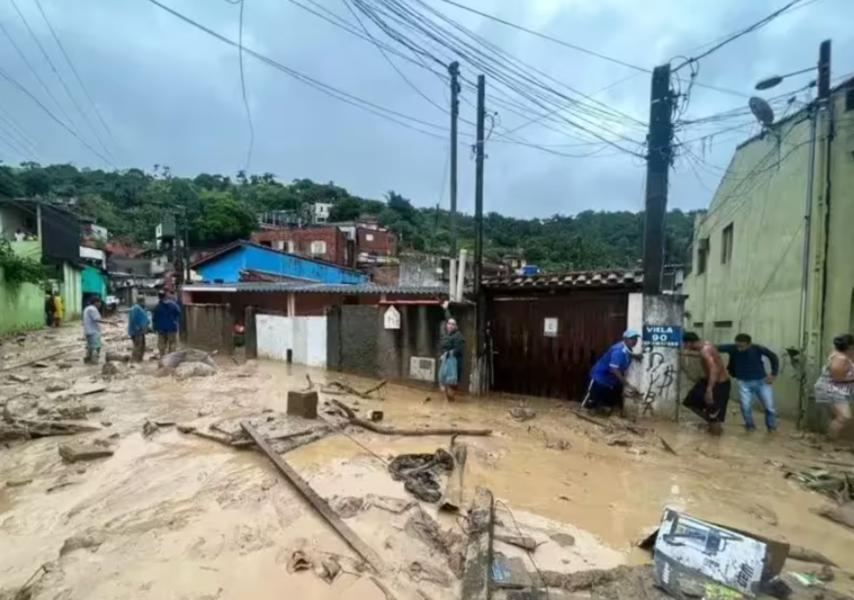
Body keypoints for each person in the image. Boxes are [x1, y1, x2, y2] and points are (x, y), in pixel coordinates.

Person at [717, 333, 779, 432]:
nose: (739, 349)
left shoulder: (758, 348)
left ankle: (771, 427)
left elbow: (773, 357)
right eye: (737, 346)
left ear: (749, 344)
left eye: (742, 347)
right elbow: (715, 347)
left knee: (769, 407)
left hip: (762, 382)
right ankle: (749, 426)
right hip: (744, 383)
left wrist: (774, 374)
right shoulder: (732, 348)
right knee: (745, 407)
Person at [682, 332, 731, 435]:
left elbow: (714, 369)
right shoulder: (706, 345)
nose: (684, 347)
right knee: (690, 402)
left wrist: (709, 389)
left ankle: (715, 441)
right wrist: (682, 353)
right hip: (707, 381)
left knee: (714, 415)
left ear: (689, 343)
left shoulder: (705, 351)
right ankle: (710, 422)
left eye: (684, 345)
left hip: (718, 384)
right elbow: (701, 355)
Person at [582, 330, 640, 414]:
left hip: (609, 380)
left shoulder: (627, 349)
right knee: (589, 402)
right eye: (632, 339)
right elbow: (614, 369)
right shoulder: (619, 350)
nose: (634, 341)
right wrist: (627, 384)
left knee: (606, 404)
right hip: (599, 377)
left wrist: (635, 356)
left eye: (636, 339)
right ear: (625, 339)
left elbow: (626, 353)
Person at [813, 333, 854, 439]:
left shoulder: (838, 354)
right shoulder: (840, 358)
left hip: (830, 389)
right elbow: (837, 377)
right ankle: (829, 441)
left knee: (835, 417)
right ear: (849, 347)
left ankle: (829, 440)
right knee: (845, 416)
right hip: (831, 389)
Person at [439, 300, 465, 402]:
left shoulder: (458, 336)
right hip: (446, 362)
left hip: (454, 364)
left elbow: (458, 349)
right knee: (444, 383)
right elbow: (448, 318)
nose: (450, 325)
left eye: (452, 324)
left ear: (456, 326)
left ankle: (451, 402)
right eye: (448, 324)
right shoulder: (449, 333)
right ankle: (448, 402)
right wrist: (445, 309)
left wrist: (446, 354)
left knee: (451, 385)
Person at [153, 291, 182, 357]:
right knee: (172, 343)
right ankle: (171, 357)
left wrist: (155, 328)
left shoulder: (157, 306)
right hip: (171, 327)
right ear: (165, 296)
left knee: (162, 344)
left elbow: (154, 318)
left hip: (161, 329)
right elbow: (179, 312)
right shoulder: (172, 304)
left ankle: (162, 357)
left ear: (159, 297)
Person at [82, 297, 110, 364]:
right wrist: (110, 322)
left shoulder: (86, 308)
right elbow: (97, 319)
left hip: (87, 331)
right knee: (96, 347)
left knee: (90, 347)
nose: (100, 304)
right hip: (94, 331)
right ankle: (94, 362)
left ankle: (88, 361)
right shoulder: (93, 309)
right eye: (99, 302)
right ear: (96, 302)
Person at [128, 296, 150, 362]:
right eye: (143, 301)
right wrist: (137, 327)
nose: (144, 302)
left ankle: (139, 360)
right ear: (141, 301)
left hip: (140, 331)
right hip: (137, 331)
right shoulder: (136, 308)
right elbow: (133, 319)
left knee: (142, 345)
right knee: (138, 346)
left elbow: (144, 318)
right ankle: (134, 361)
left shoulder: (140, 308)